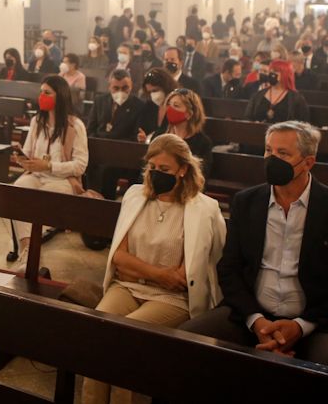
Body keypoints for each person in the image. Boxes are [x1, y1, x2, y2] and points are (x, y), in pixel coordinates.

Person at [179, 121, 328, 371]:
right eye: (268, 151)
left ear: (308, 163)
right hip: (250, 315)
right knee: (184, 343)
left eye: (283, 154)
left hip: (318, 323)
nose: (272, 159)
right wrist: (256, 321)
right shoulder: (247, 202)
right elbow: (229, 269)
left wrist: (300, 326)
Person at [81, 134, 226, 404]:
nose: (157, 175)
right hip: (128, 287)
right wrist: (159, 274)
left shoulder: (203, 209)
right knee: (98, 330)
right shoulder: (136, 196)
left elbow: (184, 278)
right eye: (153, 169)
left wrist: (139, 270)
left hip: (172, 299)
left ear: (183, 170)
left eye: (165, 170)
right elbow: (119, 258)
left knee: (129, 338)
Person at [11, 76, 88, 266]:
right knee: (17, 191)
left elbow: (80, 165)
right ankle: (28, 251)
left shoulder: (75, 125)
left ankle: (30, 256)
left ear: (59, 96)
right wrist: (22, 158)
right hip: (36, 175)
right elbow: (29, 152)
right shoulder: (37, 120)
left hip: (63, 181)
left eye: (47, 93)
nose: (41, 96)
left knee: (41, 200)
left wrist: (49, 166)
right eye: (41, 92)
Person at [87, 70, 145, 199]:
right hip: (99, 148)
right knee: (86, 166)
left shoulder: (139, 105)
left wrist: (112, 145)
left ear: (131, 87)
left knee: (108, 171)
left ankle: (105, 203)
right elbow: (91, 128)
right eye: (116, 88)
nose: (120, 92)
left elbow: (134, 135)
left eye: (125, 88)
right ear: (109, 87)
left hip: (122, 153)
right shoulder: (100, 100)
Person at [141, 88, 213, 180]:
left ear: (189, 114)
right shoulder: (159, 136)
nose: (170, 109)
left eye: (176, 106)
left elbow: (201, 175)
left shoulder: (202, 142)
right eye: (169, 105)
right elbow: (146, 167)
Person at [244, 60, 310, 125]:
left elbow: (302, 123)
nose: (271, 74)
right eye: (270, 71)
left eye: (275, 71)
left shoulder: (296, 99)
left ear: (285, 74)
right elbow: (248, 117)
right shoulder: (258, 95)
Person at [137, 68, 178, 135]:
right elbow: (141, 129)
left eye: (155, 90)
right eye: (149, 92)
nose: (153, 95)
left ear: (166, 86)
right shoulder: (149, 106)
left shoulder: (177, 106)